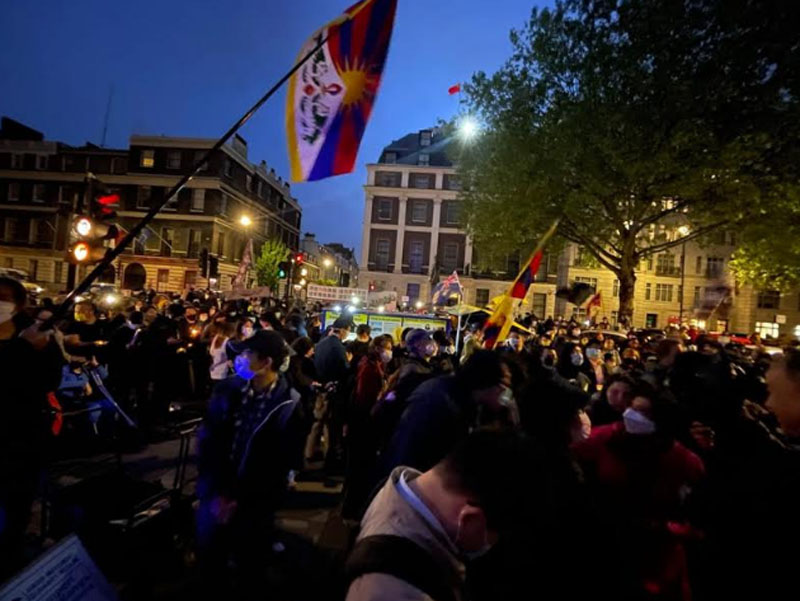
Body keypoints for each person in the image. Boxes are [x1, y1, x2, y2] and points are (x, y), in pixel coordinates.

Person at [345, 429, 535, 601]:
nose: (489, 547)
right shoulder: (394, 592)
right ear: (470, 518)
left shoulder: (400, 490)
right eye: (494, 539)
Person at [573, 381, 705, 601]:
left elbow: (696, 514)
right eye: (632, 408)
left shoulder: (682, 459)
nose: (632, 415)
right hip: (610, 545)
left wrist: (667, 529)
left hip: (659, 556)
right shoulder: (608, 438)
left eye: (642, 412)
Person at [196, 330, 304, 596]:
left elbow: (281, 461)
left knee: (250, 563)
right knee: (209, 561)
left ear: (266, 362)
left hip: (256, 501)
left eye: (247, 354)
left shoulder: (290, 403)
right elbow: (209, 441)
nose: (240, 359)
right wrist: (218, 493)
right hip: (215, 493)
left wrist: (240, 499)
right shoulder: (229, 389)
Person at [0, 277, 63, 580]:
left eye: (5, 298)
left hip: (22, 435)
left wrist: (42, 349)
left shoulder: (36, 334)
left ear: (20, 303)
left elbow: (50, 381)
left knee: (17, 504)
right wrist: (22, 349)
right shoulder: (23, 340)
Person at [378, 350, 510, 478]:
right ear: (488, 382)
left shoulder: (452, 393)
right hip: (407, 485)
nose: (507, 393)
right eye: (505, 385)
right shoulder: (446, 405)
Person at [342, 335, 394, 518]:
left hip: (363, 423)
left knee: (358, 468)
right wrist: (386, 398)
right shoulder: (369, 368)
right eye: (387, 347)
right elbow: (365, 398)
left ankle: (350, 507)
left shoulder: (375, 365)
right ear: (378, 348)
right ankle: (350, 512)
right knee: (359, 468)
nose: (390, 351)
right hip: (362, 425)